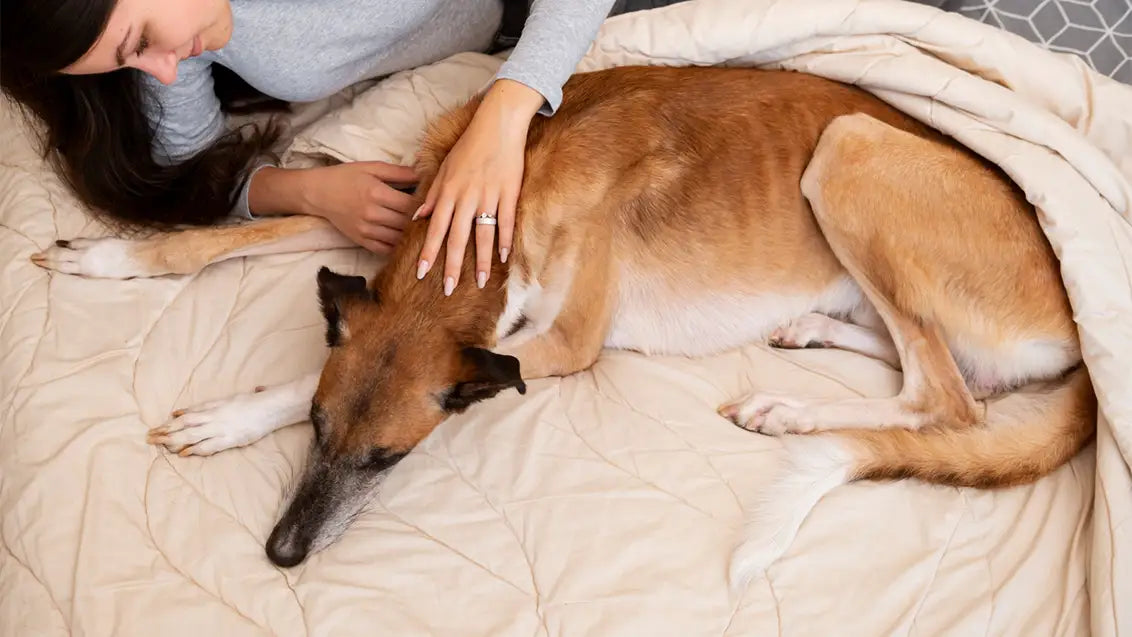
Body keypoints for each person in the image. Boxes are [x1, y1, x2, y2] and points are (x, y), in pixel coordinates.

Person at [0, 0, 683, 294]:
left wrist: (504, 115)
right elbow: (185, 163)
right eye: (131, 65)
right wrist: (308, 191)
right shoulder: (186, 40)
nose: (163, 71)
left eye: (141, 40)